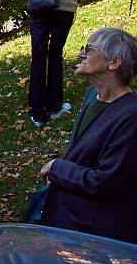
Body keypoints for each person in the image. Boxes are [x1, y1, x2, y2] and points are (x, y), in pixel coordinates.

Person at [39, 28, 137, 244]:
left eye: (89, 49)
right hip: (65, 219)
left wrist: (57, 168)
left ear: (114, 63)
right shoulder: (93, 94)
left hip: (94, 238)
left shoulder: (131, 116)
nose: (80, 54)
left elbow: (105, 181)